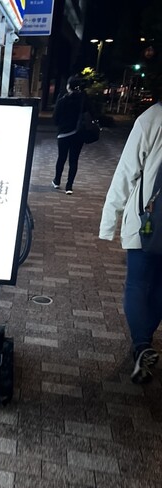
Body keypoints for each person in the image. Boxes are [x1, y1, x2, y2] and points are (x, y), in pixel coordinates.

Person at [99, 100, 162, 383]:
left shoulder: (153, 117)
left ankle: (141, 345)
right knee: (160, 287)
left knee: (137, 284)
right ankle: (143, 345)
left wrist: (108, 222)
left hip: (147, 220)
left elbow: (127, 171)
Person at [52, 76, 92, 194]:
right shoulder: (83, 100)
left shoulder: (62, 99)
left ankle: (57, 181)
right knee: (74, 160)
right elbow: (91, 113)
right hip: (78, 133)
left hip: (63, 134)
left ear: (68, 86)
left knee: (61, 158)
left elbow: (55, 118)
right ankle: (69, 187)